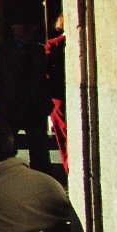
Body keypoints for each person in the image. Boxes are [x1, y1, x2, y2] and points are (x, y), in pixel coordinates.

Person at [0, 20, 51, 172]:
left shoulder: (38, 50)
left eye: (31, 28)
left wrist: (45, 104)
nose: (28, 32)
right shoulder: (0, 50)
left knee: (40, 152)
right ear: (14, 29)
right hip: (9, 107)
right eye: (24, 28)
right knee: (7, 152)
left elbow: (44, 78)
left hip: (35, 109)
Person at [44, 14, 69, 173]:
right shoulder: (55, 45)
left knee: (65, 138)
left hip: (59, 97)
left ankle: (70, 169)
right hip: (59, 97)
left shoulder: (53, 44)